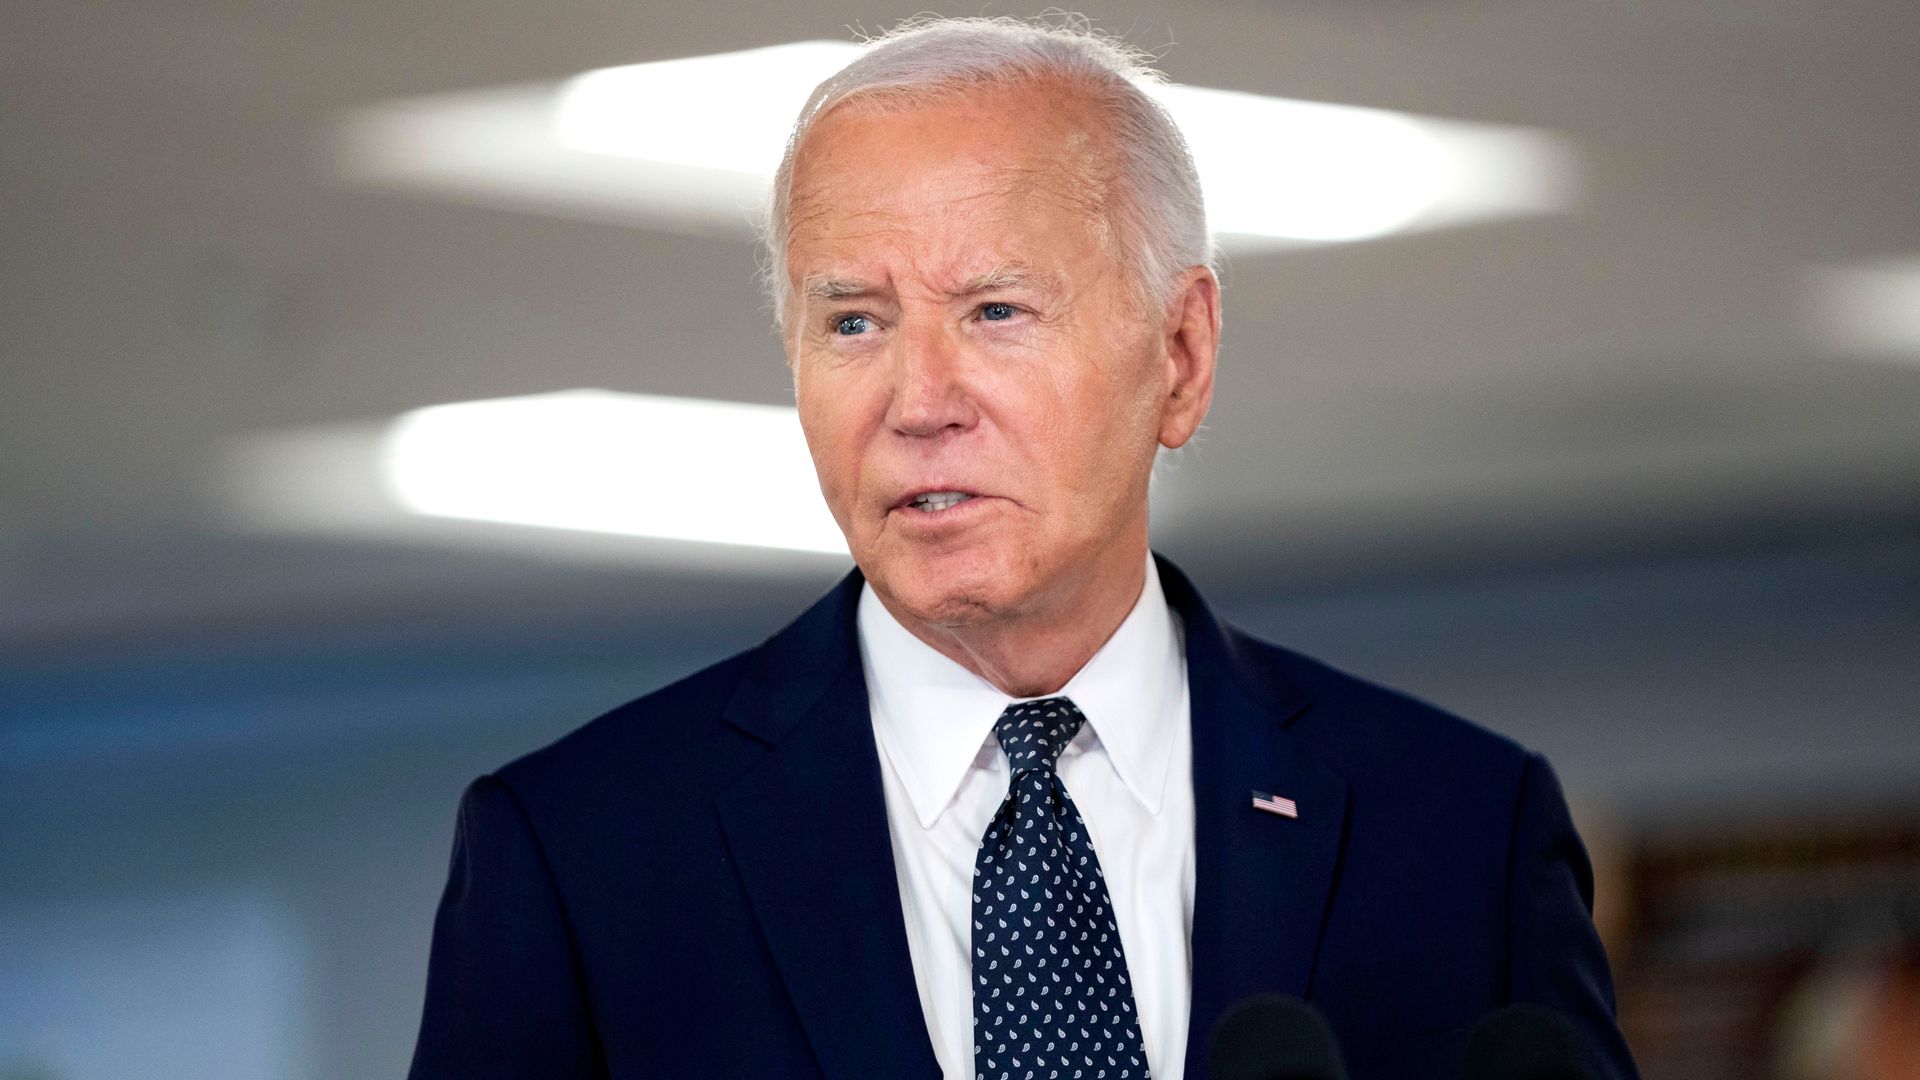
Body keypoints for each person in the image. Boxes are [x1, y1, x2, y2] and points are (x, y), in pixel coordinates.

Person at [408, 17, 1639, 1080]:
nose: (919, 397)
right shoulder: (586, 856)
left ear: (1181, 355)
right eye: (853, 320)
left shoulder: (1459, 829)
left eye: (995, 311)